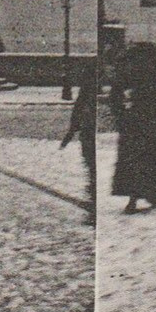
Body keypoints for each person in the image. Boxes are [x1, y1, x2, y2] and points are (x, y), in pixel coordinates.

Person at [111, 43, 156, 214]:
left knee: (134, 159)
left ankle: (134, 198)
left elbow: (115, 95)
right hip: (153, 121)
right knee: (154, 158)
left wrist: (120, 114)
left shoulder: (130, 71)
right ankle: (151, 194)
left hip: (135, 121)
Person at [61, 65, 98, 224]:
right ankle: (93, 203)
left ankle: (93, 204)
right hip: (88, 135)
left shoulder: (85, 95)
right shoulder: (89, 95)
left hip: (88, 135)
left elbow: (77, 114)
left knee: (91, 169)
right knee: (92, 170)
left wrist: (70, 134)